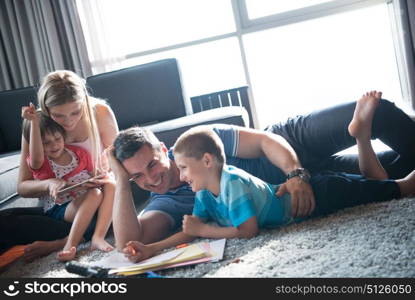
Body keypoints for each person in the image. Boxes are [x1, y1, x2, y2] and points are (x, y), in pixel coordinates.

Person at [108, 90, 415, 254]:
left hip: (292, 146)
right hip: (300, 190)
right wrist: (120, 183)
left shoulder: (196, 142)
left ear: (164, 149)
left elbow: (266, 141)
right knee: (398, 171)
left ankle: (360, 134)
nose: (151, 179)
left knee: (379, 112)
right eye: (137, 177)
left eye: (152, 165)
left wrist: (295, 174)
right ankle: (364, 146)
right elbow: (128, 243)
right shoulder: (163, 203)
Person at [0, 70, 119, 261]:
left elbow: (121, 167)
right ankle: (74, 237)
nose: (69, 121)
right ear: (46, 109)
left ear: (84, 101)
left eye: (76, 112)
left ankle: (64, 242)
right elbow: (23, 187)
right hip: (63, 208)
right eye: (58, 116)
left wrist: (104, 174)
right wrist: (49, 184)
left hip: (101, 204)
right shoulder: (36, 125)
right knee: (5, 221)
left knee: (105, 198)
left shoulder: (100, 112)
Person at [21, 106, 115, 261]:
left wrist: (99, 178)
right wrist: (34, 123)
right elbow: (36, 157)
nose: (54, 145)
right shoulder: (42, 162)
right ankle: (69, 245)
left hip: (85, 202)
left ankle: (98, 237)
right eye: (46, 143)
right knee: (95, 194)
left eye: (57, 139)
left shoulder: (78, 153)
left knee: (110, 185)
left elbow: (95, 175)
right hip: (61, 208)